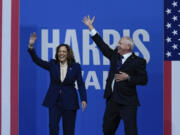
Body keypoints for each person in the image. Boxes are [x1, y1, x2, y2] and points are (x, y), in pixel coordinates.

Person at [82, 16, 148, 135]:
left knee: (131, 132)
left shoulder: (139, 61)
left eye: (120, 43)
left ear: (128, 47)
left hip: (128, 102)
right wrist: (90, 27)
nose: (117, 45)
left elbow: (144, 80)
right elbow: (102, 45)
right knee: (107, 130)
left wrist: (128, 77)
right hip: (112, 100)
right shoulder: (114, 56)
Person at [28, 32, 87, 135]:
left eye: (64, 51)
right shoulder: (53, 64)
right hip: (55, 101)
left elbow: (81, 84)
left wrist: (83, 99)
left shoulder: (76, 66)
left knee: (68, 130)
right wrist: (31, 47)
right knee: (53, 127)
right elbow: (37, 61)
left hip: (70, 101)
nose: (61, 53)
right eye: (59, 51)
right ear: (57, 53)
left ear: (68, 53)